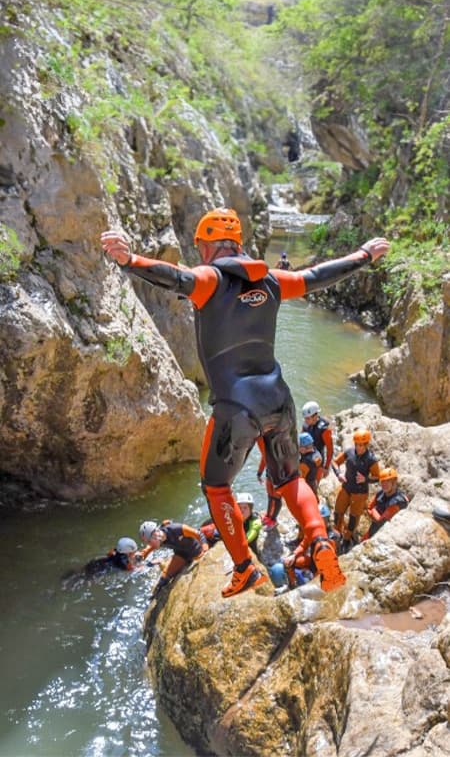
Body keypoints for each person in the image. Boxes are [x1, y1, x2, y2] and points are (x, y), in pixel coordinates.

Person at [101, 208, 389, 597]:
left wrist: (129, 260)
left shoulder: (210, 279)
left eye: (200, 246)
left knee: (216, 486)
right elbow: (317, 276)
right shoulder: (271, 279)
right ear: (238, 242)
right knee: (289, 480)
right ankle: (321, 542)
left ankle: (244, 569)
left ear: (207, 245)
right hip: (279, 399)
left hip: (236, 407)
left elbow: (175, 278)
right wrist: (364, 256)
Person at [332, 428, 380, 549]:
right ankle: (337, 534)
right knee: (338, 512)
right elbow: (335, 462)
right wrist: (339, 474)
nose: (358, 447)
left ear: (366, 444)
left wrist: (366, 479)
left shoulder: (371, 459)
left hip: (359, 493)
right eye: (357, 444)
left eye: (361, 445)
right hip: (346, 488)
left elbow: (377, 477)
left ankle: (347, 539)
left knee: (353, 518)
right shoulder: (349, 452)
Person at [139, 519, 208, 599]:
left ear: (155, 534)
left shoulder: (176, 529)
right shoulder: (158, 539)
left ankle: (161, 562)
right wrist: (141, 556)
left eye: (149, 541)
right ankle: (153, 598)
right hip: (181, 554)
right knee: (163, 580)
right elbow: (147, 550)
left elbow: (200, 535)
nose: (149, 544)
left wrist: (205, 550)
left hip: (196, 550)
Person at [362, 467, 409, 540]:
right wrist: (373, 512)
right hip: (374, 530)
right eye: (382, 481)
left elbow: (381, 522)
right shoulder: (381, 493)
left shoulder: (398, 501)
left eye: (388, 481)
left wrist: (373, 511)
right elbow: (369, 508)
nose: (384, 484)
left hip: (388, 536)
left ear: (394, 482)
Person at [301, 401, 334, 480]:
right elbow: (300, 440)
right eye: (305, 418)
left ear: (315, 416)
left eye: (308, 418)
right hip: (305, 457)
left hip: (317, 461)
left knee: (313, 485)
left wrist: (326, 468)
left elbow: (330, 449)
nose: (306, 421)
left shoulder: (324, 429)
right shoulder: (305, 425)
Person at [298, 432, 322, 497]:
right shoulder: (316, 453)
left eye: (299, 446)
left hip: (306, 487)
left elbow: (300, 478)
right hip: (313, 482)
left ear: (304, 447)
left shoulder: (306, 462)